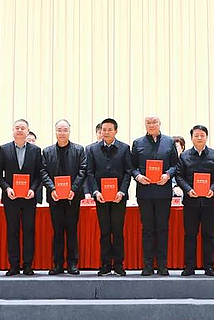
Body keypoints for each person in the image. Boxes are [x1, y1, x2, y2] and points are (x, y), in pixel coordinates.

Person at [0, 119, 52, 276]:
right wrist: (7, 188)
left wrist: (33, 189)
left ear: (28, 131)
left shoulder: (36, 150)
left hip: (29, 198)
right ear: (13, 130)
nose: (19, 130)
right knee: (12, 231)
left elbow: (40, 174)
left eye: (22, 128)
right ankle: (13, 265)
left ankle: (27, 265)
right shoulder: (4, 149)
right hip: (11, 198)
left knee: (29, 231)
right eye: (17, 128)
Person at [131, 116, 178, 276]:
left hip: (163, 193)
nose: (151, 125)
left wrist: (168, 175)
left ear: (160, 124)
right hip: (144, 193)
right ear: (145, 125)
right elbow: (132, 167)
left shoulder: (169, 142)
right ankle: (148, 265)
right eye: (148, 123)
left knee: (162, 229)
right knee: (148, 230)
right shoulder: (138, 143)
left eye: (154, 122)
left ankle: (163, 265)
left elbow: (176, 165)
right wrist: (138, 176)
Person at [86, 118, 132, 276]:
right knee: (105, 231)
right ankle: (105, 264)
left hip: (119, 197)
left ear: (116, 131)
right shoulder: (92, 149)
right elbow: (90, 173)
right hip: (101, 197)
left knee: (118, 231)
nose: (106, 132)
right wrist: (95, 191)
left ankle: (118, 264)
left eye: (109, 129)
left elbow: (128, 172)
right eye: (103, 129)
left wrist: (122, 191)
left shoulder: (124, 148)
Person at [176, 125, 214, 276]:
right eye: (196, 135)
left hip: (209, 202)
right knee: (190, 234)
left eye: (202, 135)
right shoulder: (184, 156)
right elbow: (179, 176)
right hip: (191, 202)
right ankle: (189, 266)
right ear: (191, 138)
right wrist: (188, 189)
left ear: (206, 137)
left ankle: (208, 266)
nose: (199, 138)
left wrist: (213, 189)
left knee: (208, 234)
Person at [42, 119, 87, 275]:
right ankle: (58, 264)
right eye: (59, 130)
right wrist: (52, 188)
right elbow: (43, 172)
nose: (62, 133)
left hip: (72, 197)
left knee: (72, 230)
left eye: (65, 130)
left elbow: (83, 170)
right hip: (54, 197)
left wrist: (73, 189)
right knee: (58, 231)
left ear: (69, 131)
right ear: (55, 132)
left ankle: (73, 264)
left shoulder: (79, 150)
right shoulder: (47, 152)